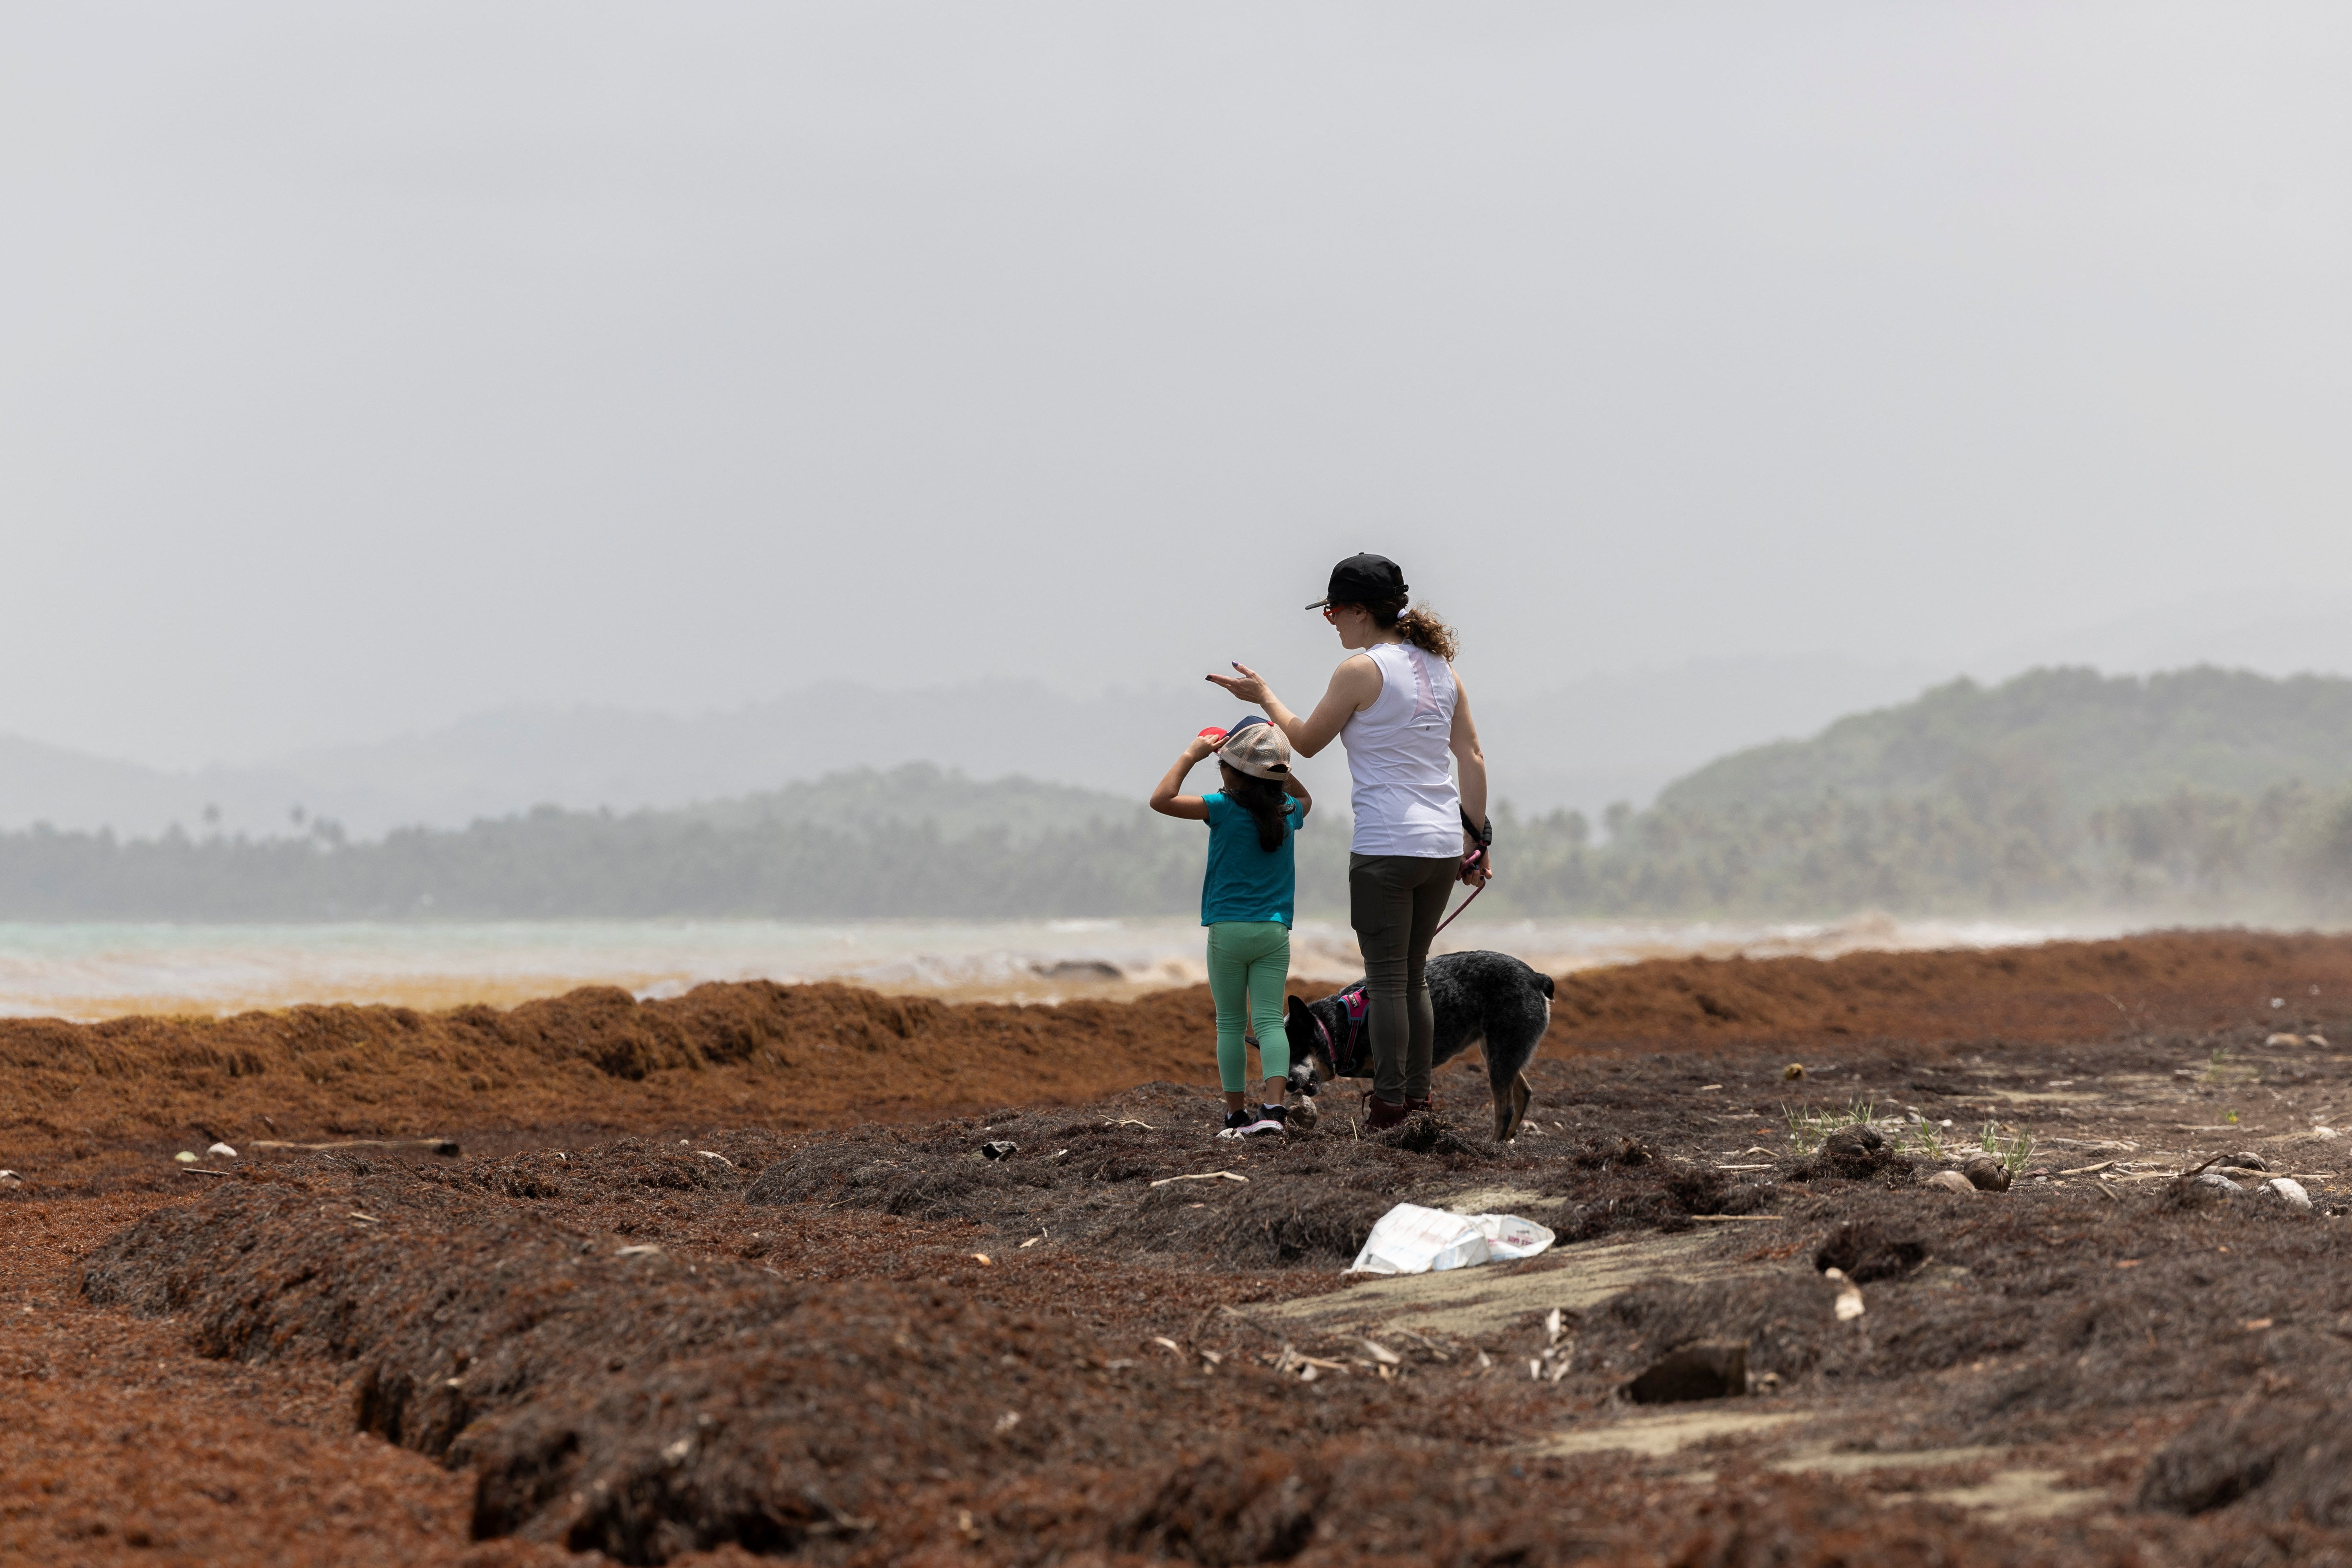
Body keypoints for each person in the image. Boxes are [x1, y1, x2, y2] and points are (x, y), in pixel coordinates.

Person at [1207, 552, 1490, 1131]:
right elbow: (1472, 757)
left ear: (1361, 611)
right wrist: (1474, 841)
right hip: (1440, 846)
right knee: (1413, 976)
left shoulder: (1362, 671)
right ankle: (1417, 1099)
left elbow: (1306, 742)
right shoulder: (1442, 670)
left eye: (1334, 610)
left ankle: (1389, 1107)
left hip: (1388, 845)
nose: (1331, 620)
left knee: (1387, 980)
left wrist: (1263, 697)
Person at [1149, 715, 1313, 1138]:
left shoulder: (1221, 808)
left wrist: (1193, 753)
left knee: (1229, 1023)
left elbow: (1161, 799)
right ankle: (1274, 1110)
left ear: (1233, 773)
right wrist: (1275, 763)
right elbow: (1305, 797)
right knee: (1270, 1022)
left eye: (1222, 765)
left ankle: (1237, 1116)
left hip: (1227, 930)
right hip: (1274, 932)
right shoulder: (1290, 810)